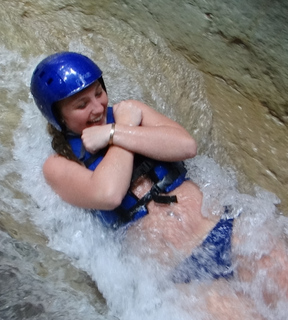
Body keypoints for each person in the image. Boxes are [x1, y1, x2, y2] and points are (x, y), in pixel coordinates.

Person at [30, 51, 288, 317]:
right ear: (58, 117)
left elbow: (186, 145)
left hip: (224, 229)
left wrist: (115, 131)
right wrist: (121, 136)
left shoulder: (129, 112)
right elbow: (108, 194)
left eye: (98, 93)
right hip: (183, 272)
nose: (97, 107)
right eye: (82, 105)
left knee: (282, 273)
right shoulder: (58, 165)